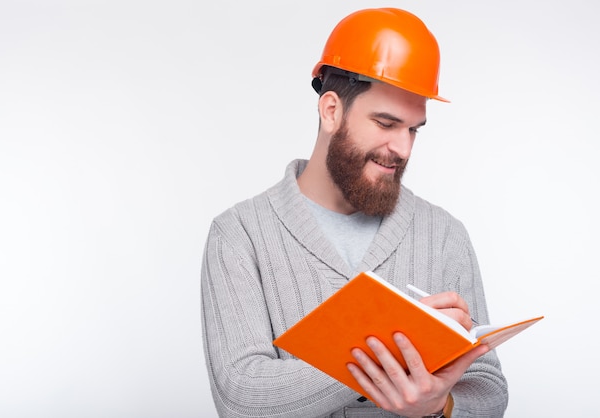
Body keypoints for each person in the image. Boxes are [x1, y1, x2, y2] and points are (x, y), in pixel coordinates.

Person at [201, 7, 508, 418]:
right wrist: (393, 350)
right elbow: (241, 397)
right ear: (331, 111)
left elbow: (488, 392)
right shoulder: (240, 235)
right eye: (386, 123)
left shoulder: (444, 235)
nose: (403, 148)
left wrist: (441, 405)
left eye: (413, 129)